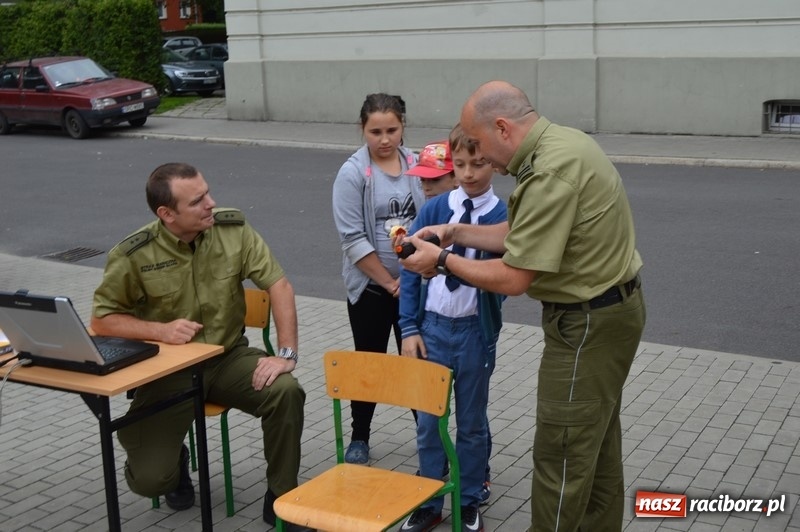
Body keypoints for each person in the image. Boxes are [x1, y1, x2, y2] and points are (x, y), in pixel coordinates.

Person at [400, 81, 646, 532]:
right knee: (597, 449)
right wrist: (455, 233)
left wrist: (441, 259)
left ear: (502, 128)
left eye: (483, 147)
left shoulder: (549, 170)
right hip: (607, 315)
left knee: (562, 451)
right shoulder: (562, 144)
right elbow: (525, 230)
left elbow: (514, 276)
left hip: (588, 324)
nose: (484, 160)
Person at [90, 163, 312, 532]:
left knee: (286, 391)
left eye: (208, 193)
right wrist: (160, 330)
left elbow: (279, 286)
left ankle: (281, 498)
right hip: (168, 371)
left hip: (228, 359)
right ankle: (174, 461)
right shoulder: (134, 253)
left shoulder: (233, 231)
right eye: (198, 201)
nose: (211, 203)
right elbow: (102, 321)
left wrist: (286, 354)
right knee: (149, 482)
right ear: (167, 214)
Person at [396, 127, 506, 532]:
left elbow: (505, 276)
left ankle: (469, 496)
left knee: (473, 422)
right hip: (433, 331)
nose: (469, 174)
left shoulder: (501, 218)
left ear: (494, 162)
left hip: (475, 333)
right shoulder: (434, 209)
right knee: (428, 420)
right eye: (460, 165)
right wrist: (409, 328)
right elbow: (408, 272)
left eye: (478, 164)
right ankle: (429, 498)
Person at [331, 93, 426, 464]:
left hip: (415, 286)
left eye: (392, 130)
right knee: (369, 362)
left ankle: (428, 438)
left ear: (403, 127)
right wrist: (389, 282)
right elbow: (352, 239)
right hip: (372, 289)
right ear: (362, 129)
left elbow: (434, 215)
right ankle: (360, 436)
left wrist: (414, 278)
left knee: (417, 363)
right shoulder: (352, 174)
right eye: (375, 131)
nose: (384, 139)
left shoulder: (417, 164)